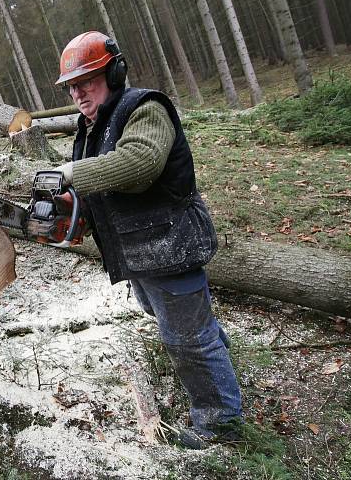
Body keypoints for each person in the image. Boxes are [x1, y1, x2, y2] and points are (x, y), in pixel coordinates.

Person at [51, 31, 242, 448]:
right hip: (138, 253)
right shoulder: (90, 129)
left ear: (115, 71)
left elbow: (140, 163)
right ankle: (223, 377)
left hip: (171, 246)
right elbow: (101, 188)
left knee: (187, 338)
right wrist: (73, 209)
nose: (79, 92)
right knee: (187, 328)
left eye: (88, 80)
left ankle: (221, 424)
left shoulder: (144, 108)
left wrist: (71, 174)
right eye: (73, 85)